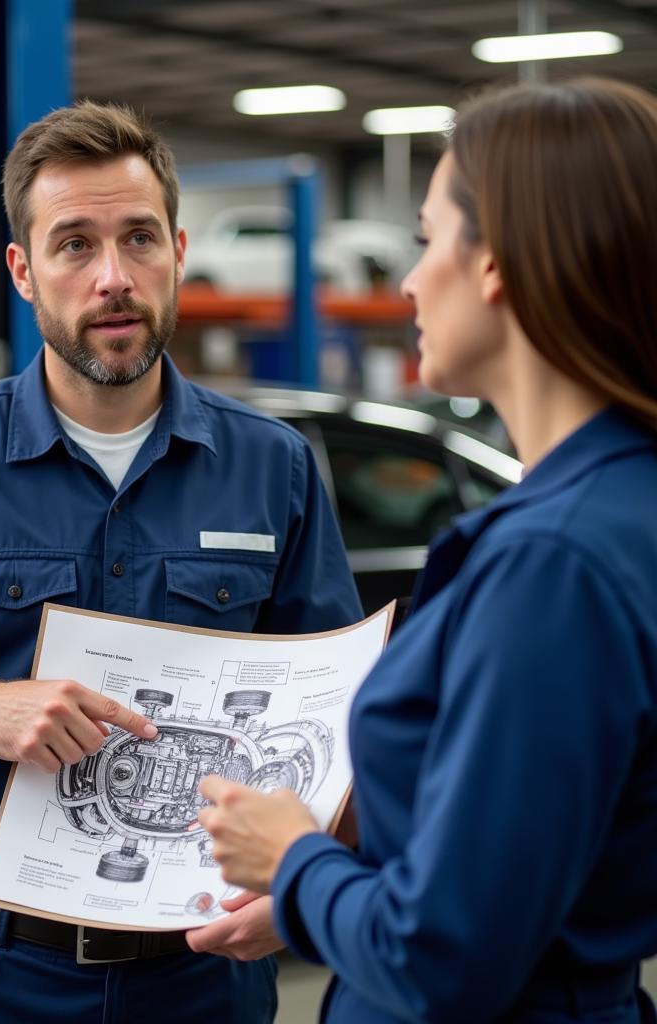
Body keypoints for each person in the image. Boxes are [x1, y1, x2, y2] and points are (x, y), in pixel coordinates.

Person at [0, 100, 362, 1023]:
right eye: (74, 245)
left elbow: (337, 714)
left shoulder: (273, 465)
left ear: (176, 248)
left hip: (201, 976)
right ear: (24, 269)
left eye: (137, 239)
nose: (113, 278)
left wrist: (300, 885)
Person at [196, 76, 657, 1023]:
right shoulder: (622, 506)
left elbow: (440, 957)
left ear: (498, 264)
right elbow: (521, 869)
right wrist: (325, 895)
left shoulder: (552, 564)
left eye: (425, 240)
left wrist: (295, 858)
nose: (407, 280)